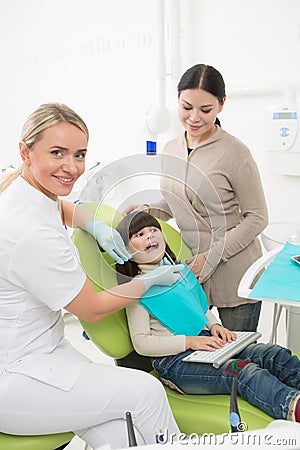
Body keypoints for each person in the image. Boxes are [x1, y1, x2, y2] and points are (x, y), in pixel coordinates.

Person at [0, 103, 184, 448]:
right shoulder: (29, 232)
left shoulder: (25, 191)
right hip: (17, 377)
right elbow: (93, 308)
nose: (71, 167)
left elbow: (60, 206)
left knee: (119, 433)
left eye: (80, 154)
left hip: (47, 353)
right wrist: (147, 281)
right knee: (146, 392)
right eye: (57, 153)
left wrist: (93, 223)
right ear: (25, 152)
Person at [115, 211, 300, 423]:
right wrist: (190, 342)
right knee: (245, 372)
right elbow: (142, 344)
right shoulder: (136, 290)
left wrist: (213, 326)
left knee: (272, 354)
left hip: (208, 343)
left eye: (154, 230)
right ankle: (294, 407)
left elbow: (200, 308)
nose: (150, 236)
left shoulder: (178, 272)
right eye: (139, 234)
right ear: (125, 250)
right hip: (175, 362)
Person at [123, 63, 269, 332]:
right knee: (199, 358)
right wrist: (148, 209)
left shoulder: (236, 153)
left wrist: (211, 256)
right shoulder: (171, 148)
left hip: (234, 274)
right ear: (177, 99)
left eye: (206, 110)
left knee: (240, 361)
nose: (194, 117)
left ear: (222, 105)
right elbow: (176, 201)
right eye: (186, 107)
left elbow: (258, 217)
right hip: (193, 274)